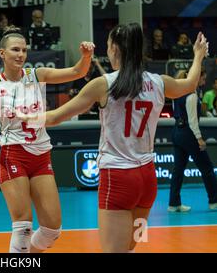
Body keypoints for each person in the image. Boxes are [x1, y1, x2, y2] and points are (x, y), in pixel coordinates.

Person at [22, 23, 209, 252]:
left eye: (109, 46)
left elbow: (54, 118)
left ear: (115, 50)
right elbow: (190, 84)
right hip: (148, 181)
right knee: (131, 247)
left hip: (118, 179)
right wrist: (198, 56)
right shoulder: (160, 82)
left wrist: (22, 116)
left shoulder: (104, 84)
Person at [0, 27, 94, 253]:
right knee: (22, 225)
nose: (20, 54)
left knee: (52, 229)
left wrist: (86, 56)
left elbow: (77, 72)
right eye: (15, 50)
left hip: (41, 155)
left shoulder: (37, 75)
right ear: (2, 53)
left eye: (23, 50)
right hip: (14, 154)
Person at [168, 69, 217, 212]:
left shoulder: (176, 93)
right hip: (188, 134)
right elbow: (193, 121)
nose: (204, 81)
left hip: (177, 132)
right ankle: (214, 201)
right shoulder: (192, 95)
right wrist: (199, 138)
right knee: (207, 168)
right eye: (203, 78)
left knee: (178, 169)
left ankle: (173, 203)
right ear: (196, 77)